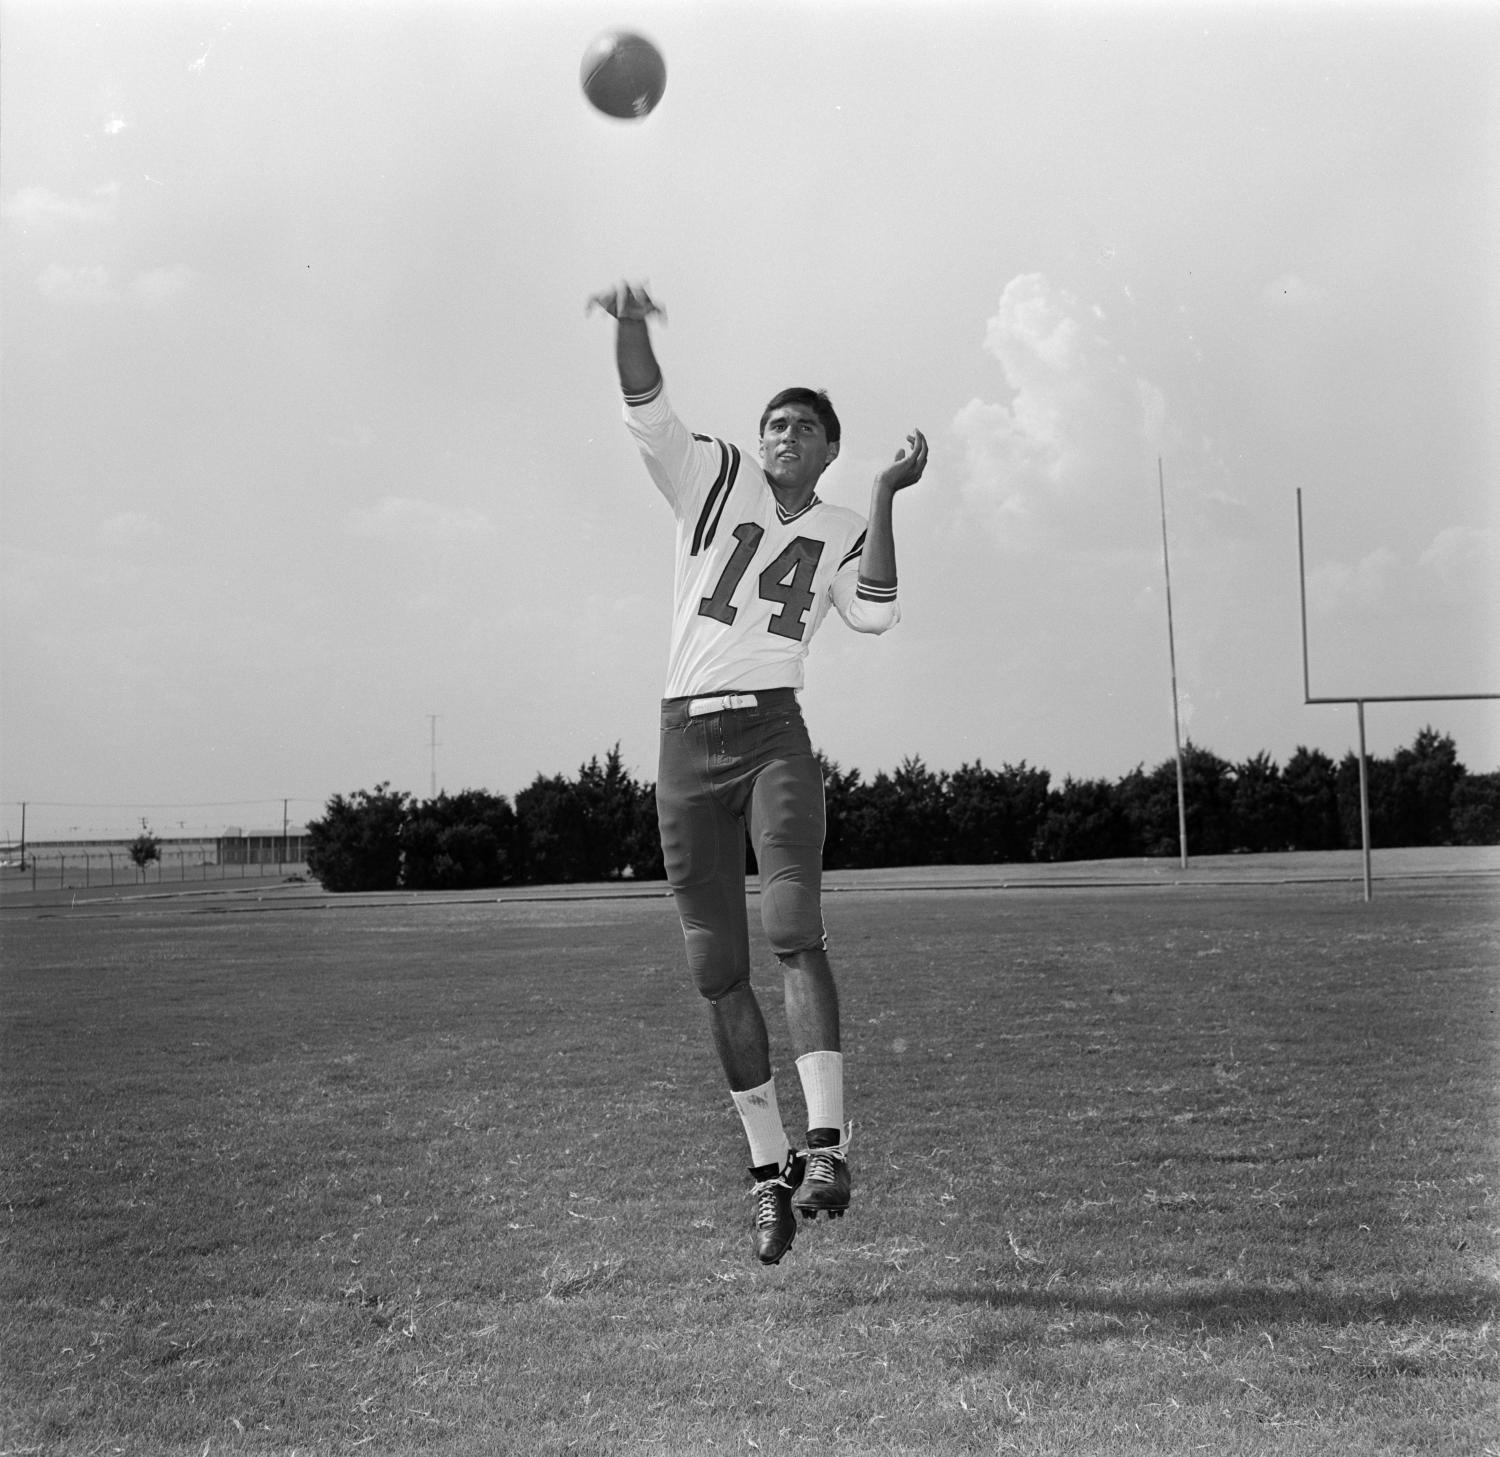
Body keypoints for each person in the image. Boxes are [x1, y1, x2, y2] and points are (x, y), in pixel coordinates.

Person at [588, 280, 928, 1265]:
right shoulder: (713, 477)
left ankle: (829, 1145)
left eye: (802, 425)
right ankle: (767, 1168)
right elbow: (647, 405)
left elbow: (877, 611)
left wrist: (885, 497)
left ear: (826, 447)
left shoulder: (838, 529)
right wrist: (629, 323)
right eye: (774, 419)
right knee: (714, 968)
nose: (782, 432)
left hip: (775, 733)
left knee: (791, 924)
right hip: (684, 742)